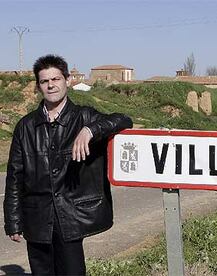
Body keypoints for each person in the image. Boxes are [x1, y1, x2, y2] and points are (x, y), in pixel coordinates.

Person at [3, 55, 132, 275]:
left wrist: (90, 130)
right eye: (44, 81)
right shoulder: (25, 126)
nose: (51, 85)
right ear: (38, 86)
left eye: (56, 79)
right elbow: (15, 177)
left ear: (68, 80)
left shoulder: (84, 116)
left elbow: (123, 120)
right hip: (36, 219)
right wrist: (13, 221)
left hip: (71, 218)